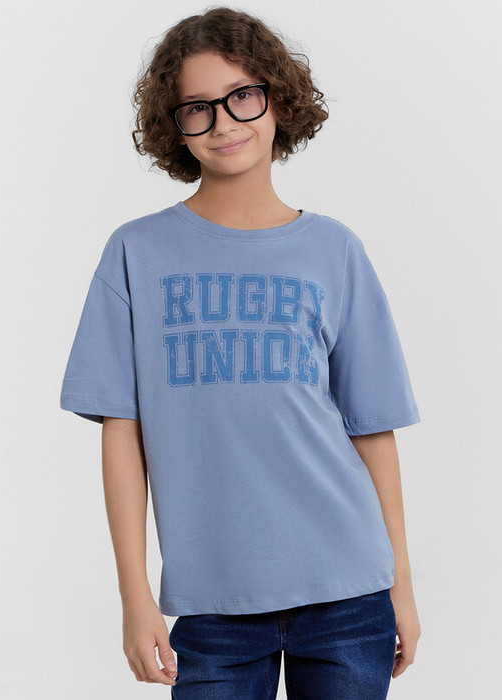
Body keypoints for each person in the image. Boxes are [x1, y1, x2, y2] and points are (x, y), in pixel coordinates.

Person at [60, 6, 422, 699]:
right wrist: (135, 597)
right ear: (174, 125)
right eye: (197, 107)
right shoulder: (136, 252)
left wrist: (400, 585)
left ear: (277, 99)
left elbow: (371, 429)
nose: (223, 122)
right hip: (213, 606)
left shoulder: (335, 250)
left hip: (349, 595)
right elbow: (121, 430)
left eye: (242, 96)